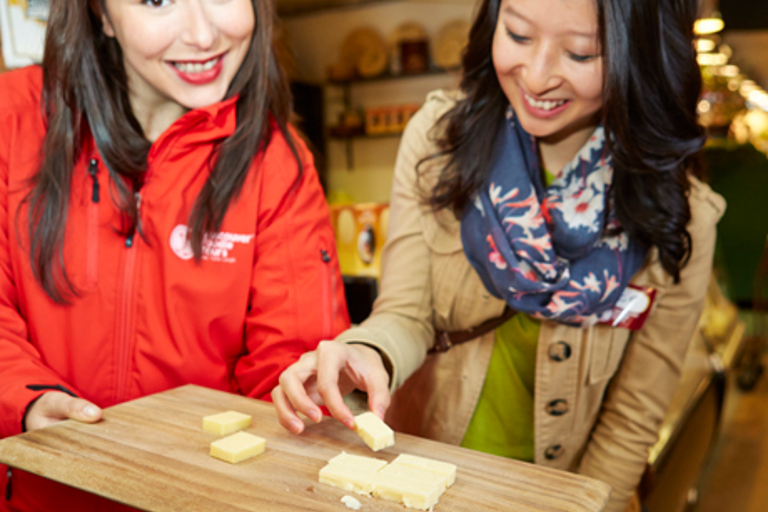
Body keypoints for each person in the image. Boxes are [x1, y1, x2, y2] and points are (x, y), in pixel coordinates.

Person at [272, 0, 726, 511]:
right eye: (518, 33)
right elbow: (405, 314)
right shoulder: (438, 140)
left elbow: (633, 418)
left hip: (552, 492)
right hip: (420, 477)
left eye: (580, 54)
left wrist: (582, 505)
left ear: (637, 57)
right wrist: (365, 353)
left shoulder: (680, 216)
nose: (535, 76)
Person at [0, 0, 349, 509]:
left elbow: (289, 362)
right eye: (157, 0)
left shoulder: (280, 164)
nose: (203, 35)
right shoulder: (12, 118)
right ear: (100, 15)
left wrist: (306, 391)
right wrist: (23, 397)